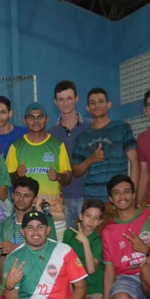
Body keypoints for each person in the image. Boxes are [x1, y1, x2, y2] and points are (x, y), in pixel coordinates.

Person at [6, 103, 72, 236]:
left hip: (53, 211)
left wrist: (58, 176)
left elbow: (68, 177)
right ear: (25, 120)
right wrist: (17, 175)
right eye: (31, 117)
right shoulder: (16, 146)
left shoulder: (57, 145)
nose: (35, 121)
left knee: (55, 249)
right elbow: (8, 178)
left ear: (47, 119)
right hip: (25, 209)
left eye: (40, 117)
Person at [71, 88, 139, 204]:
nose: (97, 105)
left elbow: (135, 162)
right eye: (93, 103)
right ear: (87, 108)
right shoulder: (82, 137)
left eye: (101, 101)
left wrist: (132, 195)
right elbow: (76, 172)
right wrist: (90, 160)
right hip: (92, 200)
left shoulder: (122, 128)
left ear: (109, 105)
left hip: (118, 198)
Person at [0, 177, 57, 281]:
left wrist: (17, 249)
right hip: (8, 287)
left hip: (37, 284)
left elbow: (51, 254)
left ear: (34, 200)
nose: (21, 199)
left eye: (26, 196)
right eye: (18, 194)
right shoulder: (4, 224)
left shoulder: (44, 222)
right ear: (12, 195)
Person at [49, 81, 93, 229]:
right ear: (55, 102)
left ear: (76, 99)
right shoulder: (50, 134)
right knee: (65, 244)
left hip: (88, 195)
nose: (65, 103)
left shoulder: (91, 126)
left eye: (69, 98)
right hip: (61, 199)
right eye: (61, 99)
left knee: (89, 242)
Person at [61, 199, 105, 299]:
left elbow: (91, 269)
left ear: (100, 222)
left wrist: (85, 242)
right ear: (81, 216)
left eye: (96, 218)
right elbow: (63, 263)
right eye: (88, 216)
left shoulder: (97, 241)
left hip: (94, 289)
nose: (91, 221)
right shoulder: (68, 234)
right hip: (74, 288)